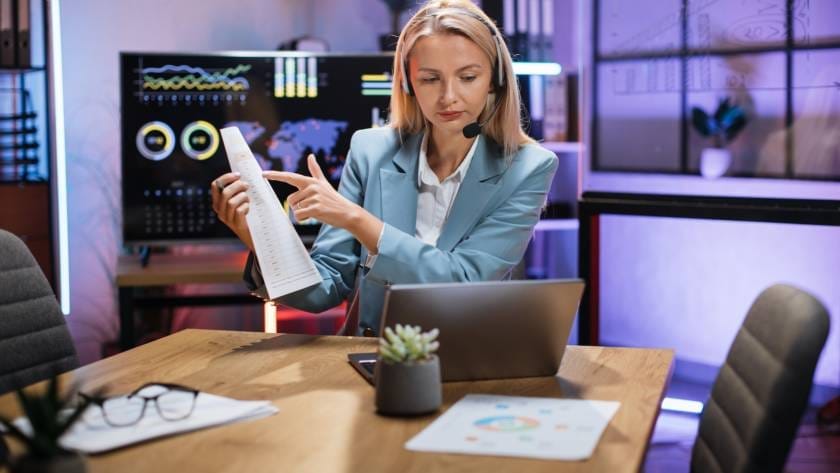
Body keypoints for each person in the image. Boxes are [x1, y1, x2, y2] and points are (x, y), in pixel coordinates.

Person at [211, 0, 558, 336]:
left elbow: (465, 281)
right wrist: (260, 238)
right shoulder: (370, 150)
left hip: (467, 360)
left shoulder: (528, 168)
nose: (449, 97)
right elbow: (325, 289)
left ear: (495, 80)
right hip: (371, 355)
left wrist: (357, 220)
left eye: (468, 77)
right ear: (408, 83)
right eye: (429, 79)